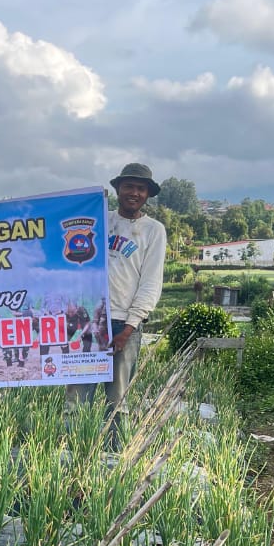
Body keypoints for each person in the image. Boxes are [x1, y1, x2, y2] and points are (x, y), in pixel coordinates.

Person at [104, 162, 167, 427]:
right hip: (88, 320)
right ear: (118, 189)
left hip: (124, 324)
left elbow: (150, 283)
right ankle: (78, 447)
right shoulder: (100, 220)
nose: (134, 193)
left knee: (117, 400)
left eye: (141, 189)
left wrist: (128, 329)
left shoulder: (154, 230)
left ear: (148, 194)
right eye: (129, 186)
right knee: (76, 396)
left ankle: (114, 449)